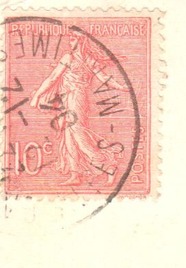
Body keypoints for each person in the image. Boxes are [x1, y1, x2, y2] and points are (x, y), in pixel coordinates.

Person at [29, 33, 126, 186]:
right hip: (68, 98)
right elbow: (54, 77)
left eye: (73, 39)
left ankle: (109, 164)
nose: (70, 42)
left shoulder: (73, 58)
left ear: (81, 41)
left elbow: (54, 77)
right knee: (69, 138)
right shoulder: (81, 59)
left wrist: (37, 96)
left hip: (76, 98)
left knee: (79, 135)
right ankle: (75, 175)